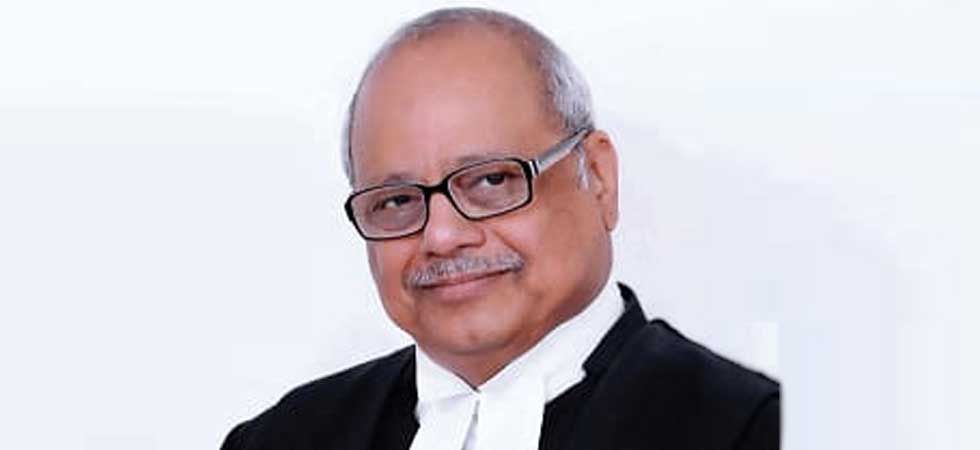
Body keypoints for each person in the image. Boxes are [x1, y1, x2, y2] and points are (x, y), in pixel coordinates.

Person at [221, 7, 779, 450]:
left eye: (491, 181)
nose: (442, 236)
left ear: (599, 178)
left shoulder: (755, 430)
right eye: (396, 201)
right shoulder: (282, 439)